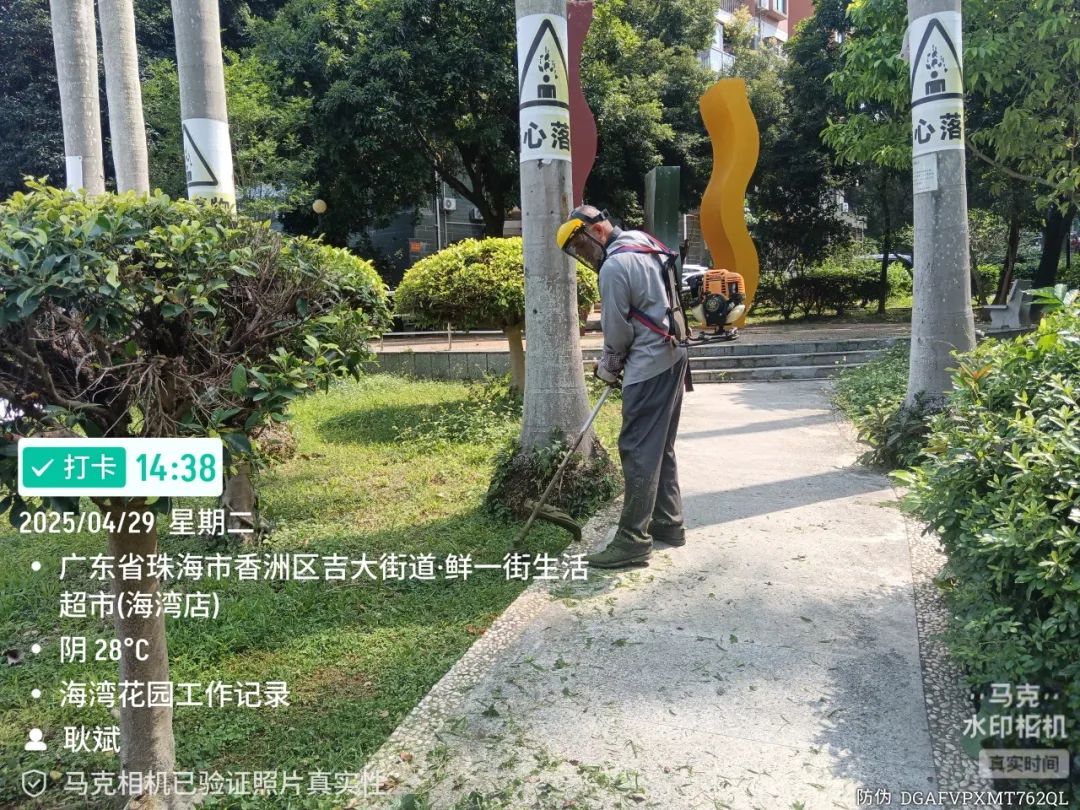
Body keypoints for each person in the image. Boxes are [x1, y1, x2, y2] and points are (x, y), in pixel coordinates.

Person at [556, 205, 689, 568]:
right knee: (660, 447)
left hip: (649, 364)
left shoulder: (614, 266)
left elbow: (616, 334)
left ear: (597, 231)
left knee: (637, 448)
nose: (584, 255)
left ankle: (632, 540)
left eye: (581, 246)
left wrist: (608, 369)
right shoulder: (644, 241)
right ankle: (668, 523)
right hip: (676, 354)